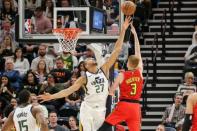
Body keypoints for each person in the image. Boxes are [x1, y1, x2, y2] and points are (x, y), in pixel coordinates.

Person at [38, 16, 131, 131]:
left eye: (92, 57)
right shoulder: (84, 78)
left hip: (101, 110)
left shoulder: (104, 69)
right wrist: (51, 96)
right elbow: (68, 91)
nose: (91, 58)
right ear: (86, 65)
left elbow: (117, 50)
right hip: (88, 109)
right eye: (89, 59)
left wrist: (124, 29)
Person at [98, 22, 143, 131]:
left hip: (124, 106)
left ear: (128, 63)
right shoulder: (140, 71)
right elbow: (138, 51)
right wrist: (135, 35)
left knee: (105, 126)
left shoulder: (122, 75)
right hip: (136, 107)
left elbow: (111, 91)